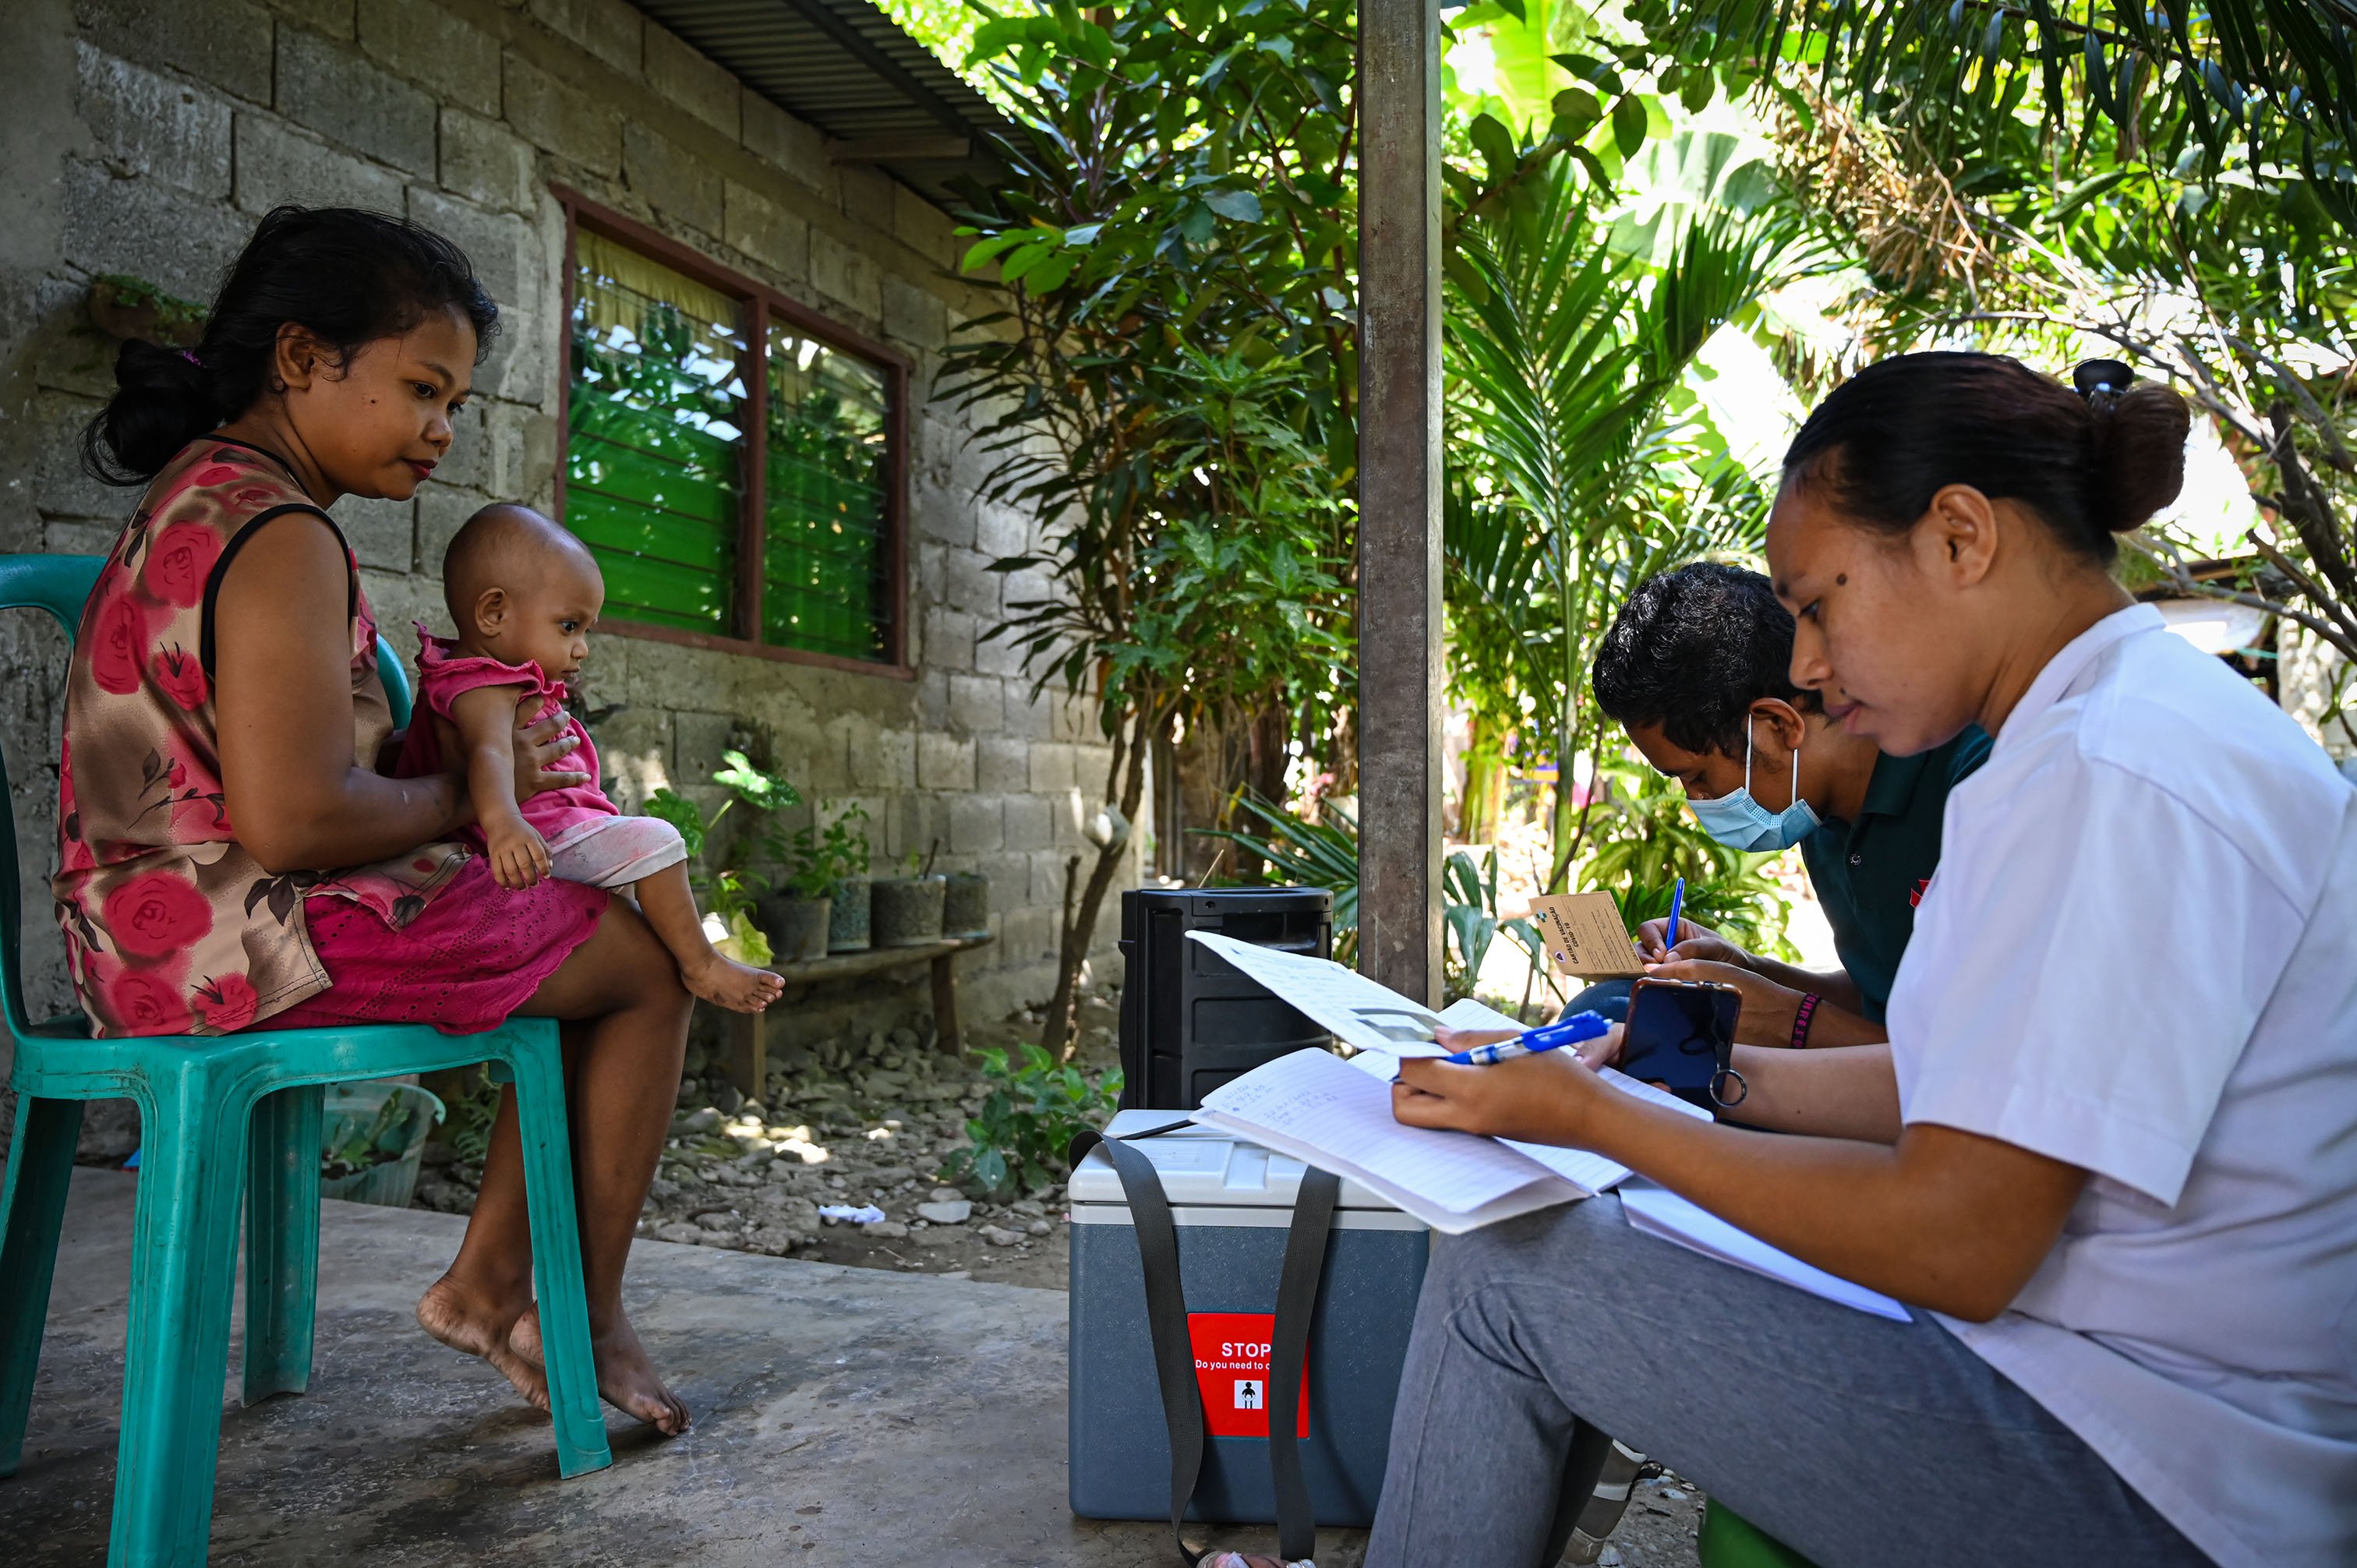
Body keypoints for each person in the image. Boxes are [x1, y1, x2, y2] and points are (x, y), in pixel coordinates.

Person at [1369, 352, 2357, 1567]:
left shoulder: (2112, 773)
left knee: (1504, 1282)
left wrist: (1602, 1118)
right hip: (2118, 1390)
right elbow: (1959, 1086)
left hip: (2164, 1464)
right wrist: (1659, 1073)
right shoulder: (2093, 739)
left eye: (1820, 605)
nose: (1805, 666)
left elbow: (1960, 1238)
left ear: (1957, 539)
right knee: (1581, 1218)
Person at [59, 205, 696, 1436]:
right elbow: (296, 819)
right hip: (230, 938)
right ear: (303, 360)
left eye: (454, 401)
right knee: (641, 967)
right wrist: (476, 794)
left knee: (568, 927)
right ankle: (569, 1305)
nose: (443, 430)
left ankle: (497, 1284)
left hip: (143, 931)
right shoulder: (280, 533)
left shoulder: (204, 495)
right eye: (422, 388)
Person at [1584, 562, 1989, 1053]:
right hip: (1907, 1081)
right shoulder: (1819, 816)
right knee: (1616, 1004)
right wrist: (1748, 972)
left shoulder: (1979, 783)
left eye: (1698, 777)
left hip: (1966, 1103)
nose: (1698, 802)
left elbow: (1974, 1069)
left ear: (1776, 725)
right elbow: (1885, 998)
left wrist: (1787, 1019)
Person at [405, 502, 783, 1013]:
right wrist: (505, 825)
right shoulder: (482, 686)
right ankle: (702, 963)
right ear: (494, 613)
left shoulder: (498, 677)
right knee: (659, 840)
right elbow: (491, 753)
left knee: (633, 920)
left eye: (586, 630)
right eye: (568, 627)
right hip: (532, 841)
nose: (582, 648)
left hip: (546, 833)